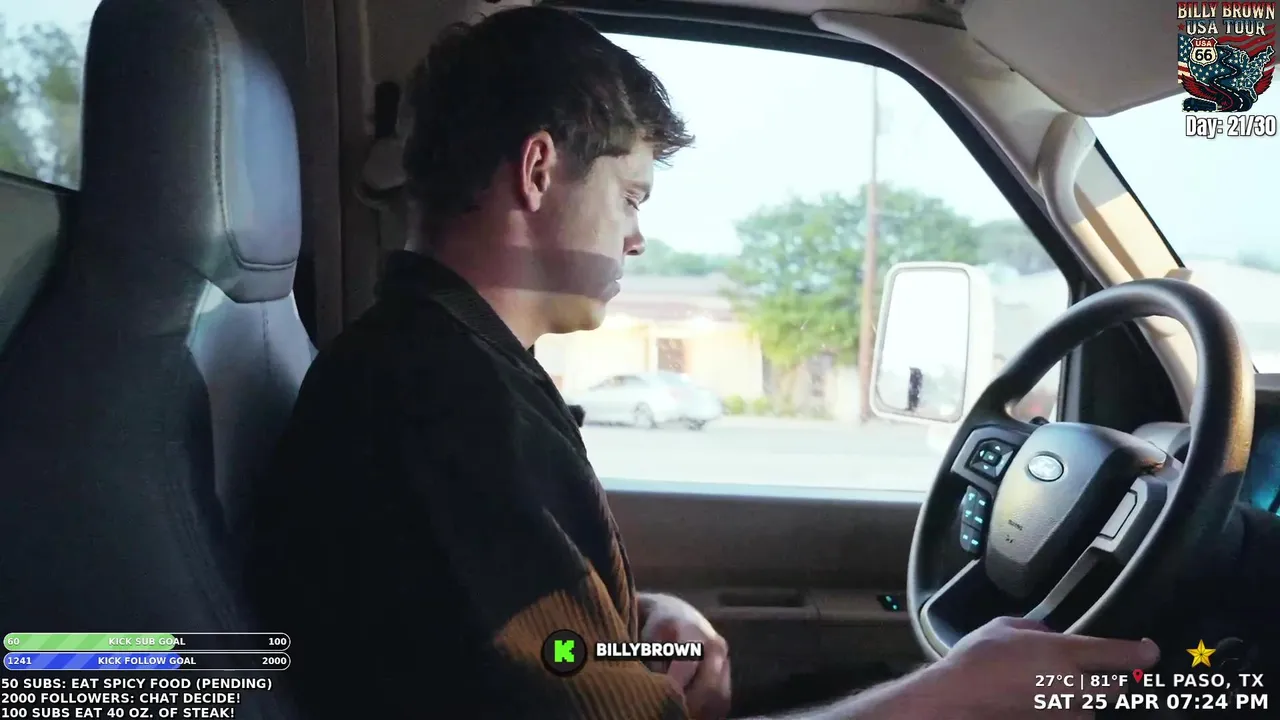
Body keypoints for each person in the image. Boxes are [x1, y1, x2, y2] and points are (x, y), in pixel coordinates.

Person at [242, 6, 1159, 719]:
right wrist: (954, 694)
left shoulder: (456, 367)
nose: (637, 237)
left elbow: (498, 641)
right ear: (538, 171)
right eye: (631, 196)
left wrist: (637, 633)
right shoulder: (439, 405)